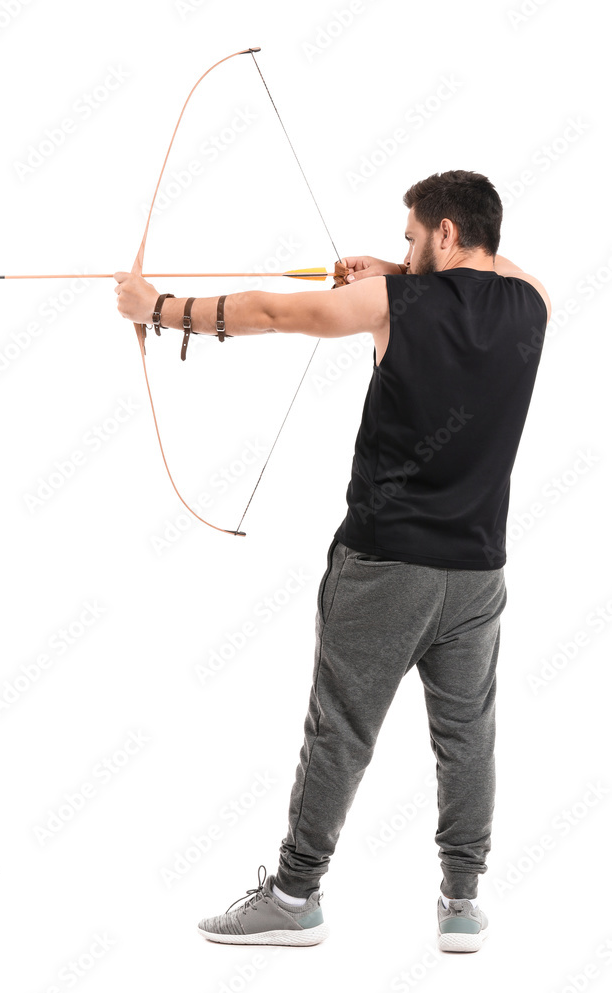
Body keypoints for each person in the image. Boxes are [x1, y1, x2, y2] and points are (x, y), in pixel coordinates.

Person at [114, 170, 550, 951]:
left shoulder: (397, 308)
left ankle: (293, 896)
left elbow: (276, 310)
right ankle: (460, 902)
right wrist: (400, 268)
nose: (404, 250)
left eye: (413, 236)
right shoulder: (533, 307)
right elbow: (503, 270)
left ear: (446, 234)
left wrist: (160, 309)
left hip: (386, 567)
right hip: (480, 576)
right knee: (468, 735)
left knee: (340, 731)